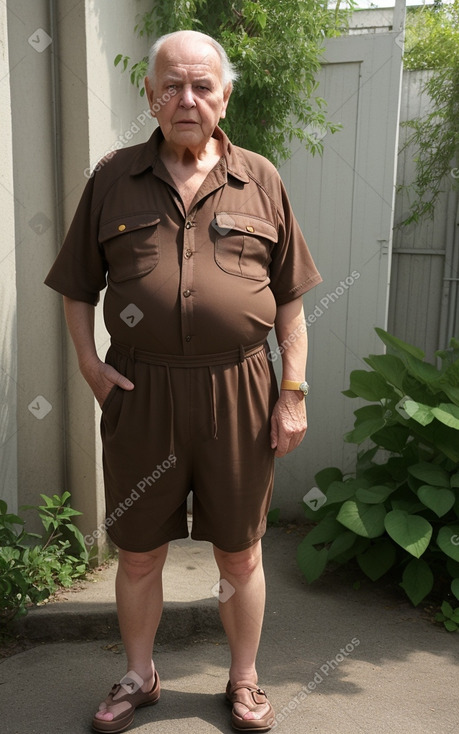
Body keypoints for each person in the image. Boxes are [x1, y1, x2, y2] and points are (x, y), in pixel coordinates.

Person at [45, 29, 322, 733]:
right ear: (149, 94)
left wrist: (291, 392)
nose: (186, 98)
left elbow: (289, 299)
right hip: (142, 394)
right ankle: (140, 676)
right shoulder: (112, 177)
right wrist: (89, 364)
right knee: (137, 551)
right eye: (171, 85)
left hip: (239, 392)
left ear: (225, 94)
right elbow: (77, 284)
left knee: (239, 549)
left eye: (201, 85)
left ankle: (244, 681)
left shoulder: (260, 178)